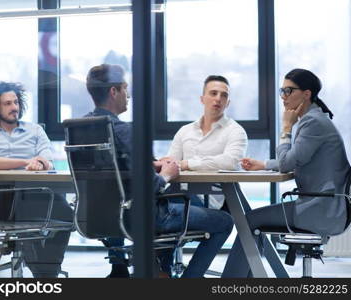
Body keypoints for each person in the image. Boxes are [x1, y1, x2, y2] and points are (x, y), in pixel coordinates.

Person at [85, 64, 234, 278]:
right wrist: (166, 175)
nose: (128, 95)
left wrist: (148, 164)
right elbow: (150, 187)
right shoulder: (126, 132)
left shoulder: (81, 128)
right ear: (113, 91)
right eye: (125, 88)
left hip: (99, 217)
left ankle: (160, 272)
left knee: (183, 204)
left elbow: (112, 171)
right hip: (140, 216)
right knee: (224, 222)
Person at [223, 68, 350, 277]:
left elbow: (286, 164)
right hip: (324, 205)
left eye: (289, 91)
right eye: (282, 91)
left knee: (249, 221)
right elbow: (297, 158)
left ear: (306, 94)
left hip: (320, 209)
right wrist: (264, 164)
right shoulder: (315, 119)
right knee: (252, 220)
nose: (283, 97)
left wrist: (285, 128)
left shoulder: (312, 123)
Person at [0, 82, 73, 278]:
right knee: (28, 218)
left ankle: (46, 269)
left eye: (15, 102)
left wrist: (40, 163)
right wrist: (26, 161)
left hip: (36, 194)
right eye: (7, 104)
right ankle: (45, 274)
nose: (14, 107)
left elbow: (47, 159)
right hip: (0, 199)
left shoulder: (35, 130)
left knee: (68, 216)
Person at [161, 75, 247, 209]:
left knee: (155, 211)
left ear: (228, 102)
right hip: (178, 192)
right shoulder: (185, 131)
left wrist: (188, 164)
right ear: (202, 99)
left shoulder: (236, 131)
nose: (218, 98)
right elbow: (171, 164)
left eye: (223, 95)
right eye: (213, 93)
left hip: (209, 200)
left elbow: (230, 162)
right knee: (150, 205)